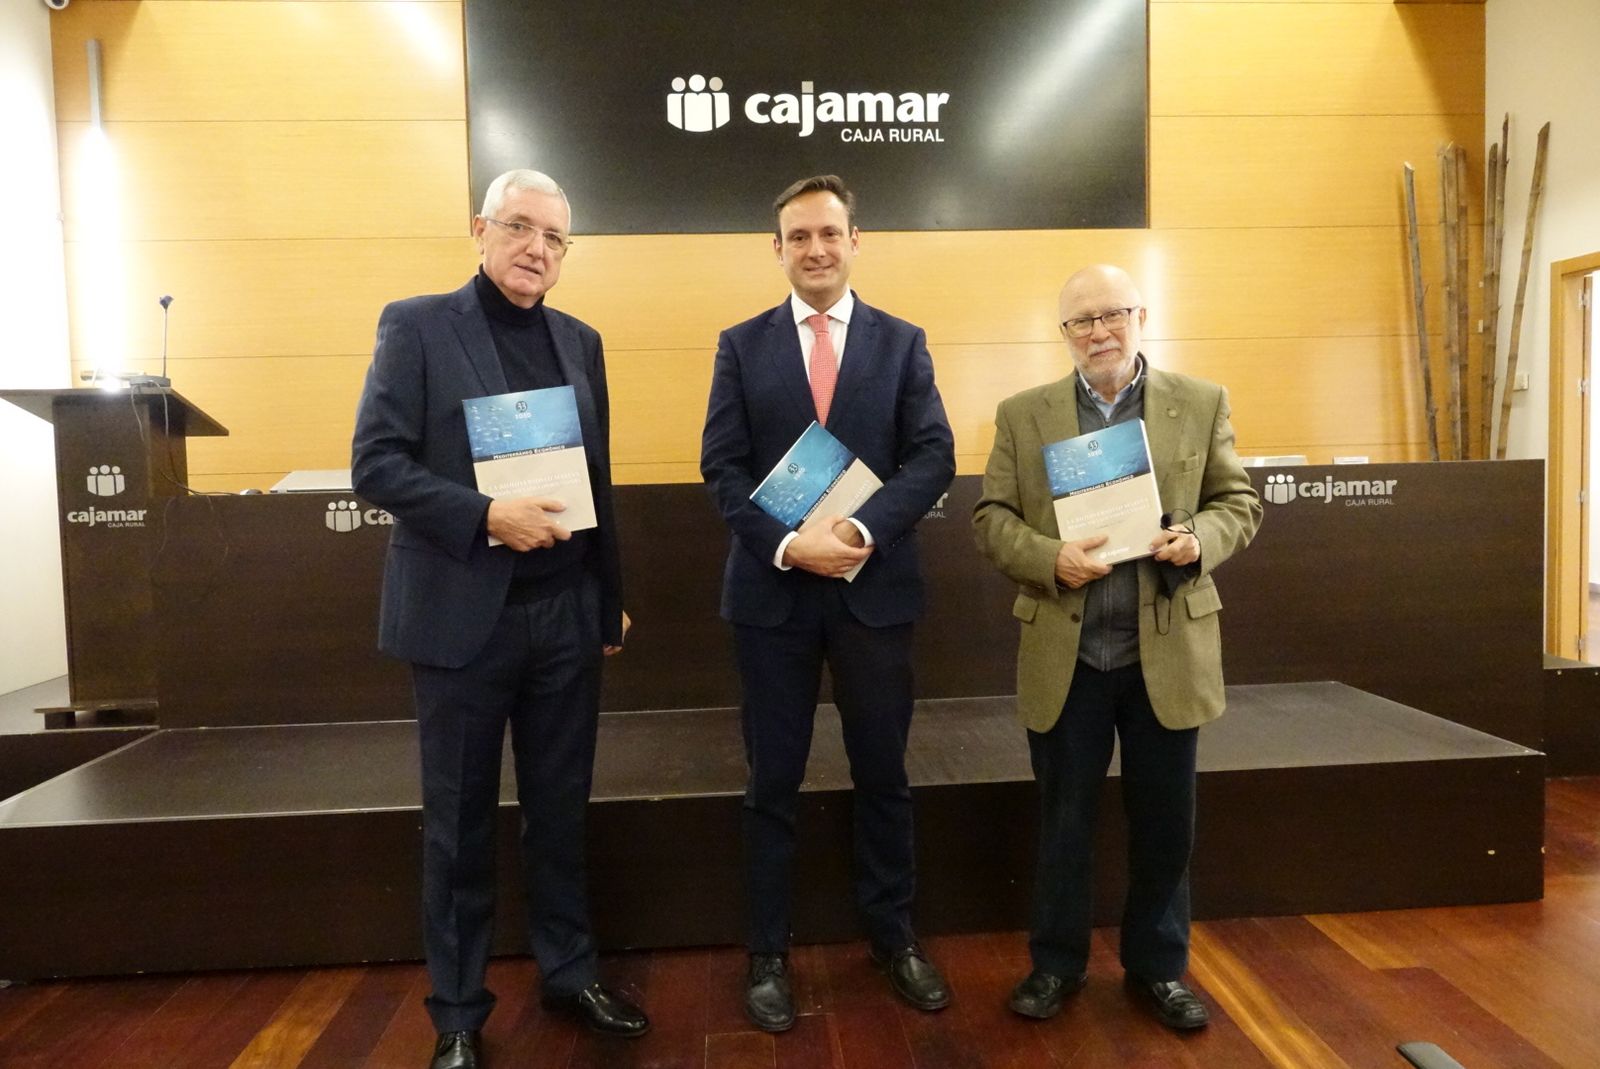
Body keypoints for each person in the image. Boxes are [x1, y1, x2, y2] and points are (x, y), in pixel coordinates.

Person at [352, 169, 648, 1069]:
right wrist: (486, 516)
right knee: (459, 822)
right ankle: (456, 1013)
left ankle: (569, 971)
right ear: (480, 228)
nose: (537, 249)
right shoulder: (417, 325)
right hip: (461, 621)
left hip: (564, 617)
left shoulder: (579, 340)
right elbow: (376, 463)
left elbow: (596, 478)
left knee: (561, 811)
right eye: (521, 227)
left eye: (555, 238)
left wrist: (606, 595)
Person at [971, 264, 1261, 1031]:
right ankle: (1056, 964)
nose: (1098, 331)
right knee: (1063, 822)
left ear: (1140, 316)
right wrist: (1048, 559)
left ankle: (1158, 968)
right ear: (1063, 333)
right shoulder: (1024, 414)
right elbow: (991, 516)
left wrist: (1195, 539)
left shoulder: (1199, 403)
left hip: (1164, 650)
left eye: (1112, 315)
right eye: (1081, 321)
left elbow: (1238, 501)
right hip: (1067, 653)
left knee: (1167, 823)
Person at [700, 175, 957, 1032]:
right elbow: (723, 469)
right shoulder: (740, 345)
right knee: (771, 779)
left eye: (829, 233)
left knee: (884, 773)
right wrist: (786, 543)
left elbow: (932, 456)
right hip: (771, 596)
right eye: (798, 235)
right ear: (776, 249)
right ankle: (767, 951)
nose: (815, 248)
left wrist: (859, 530)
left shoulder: (902, 341)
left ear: (856, 240)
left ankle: (894, 937)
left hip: (872, 593)